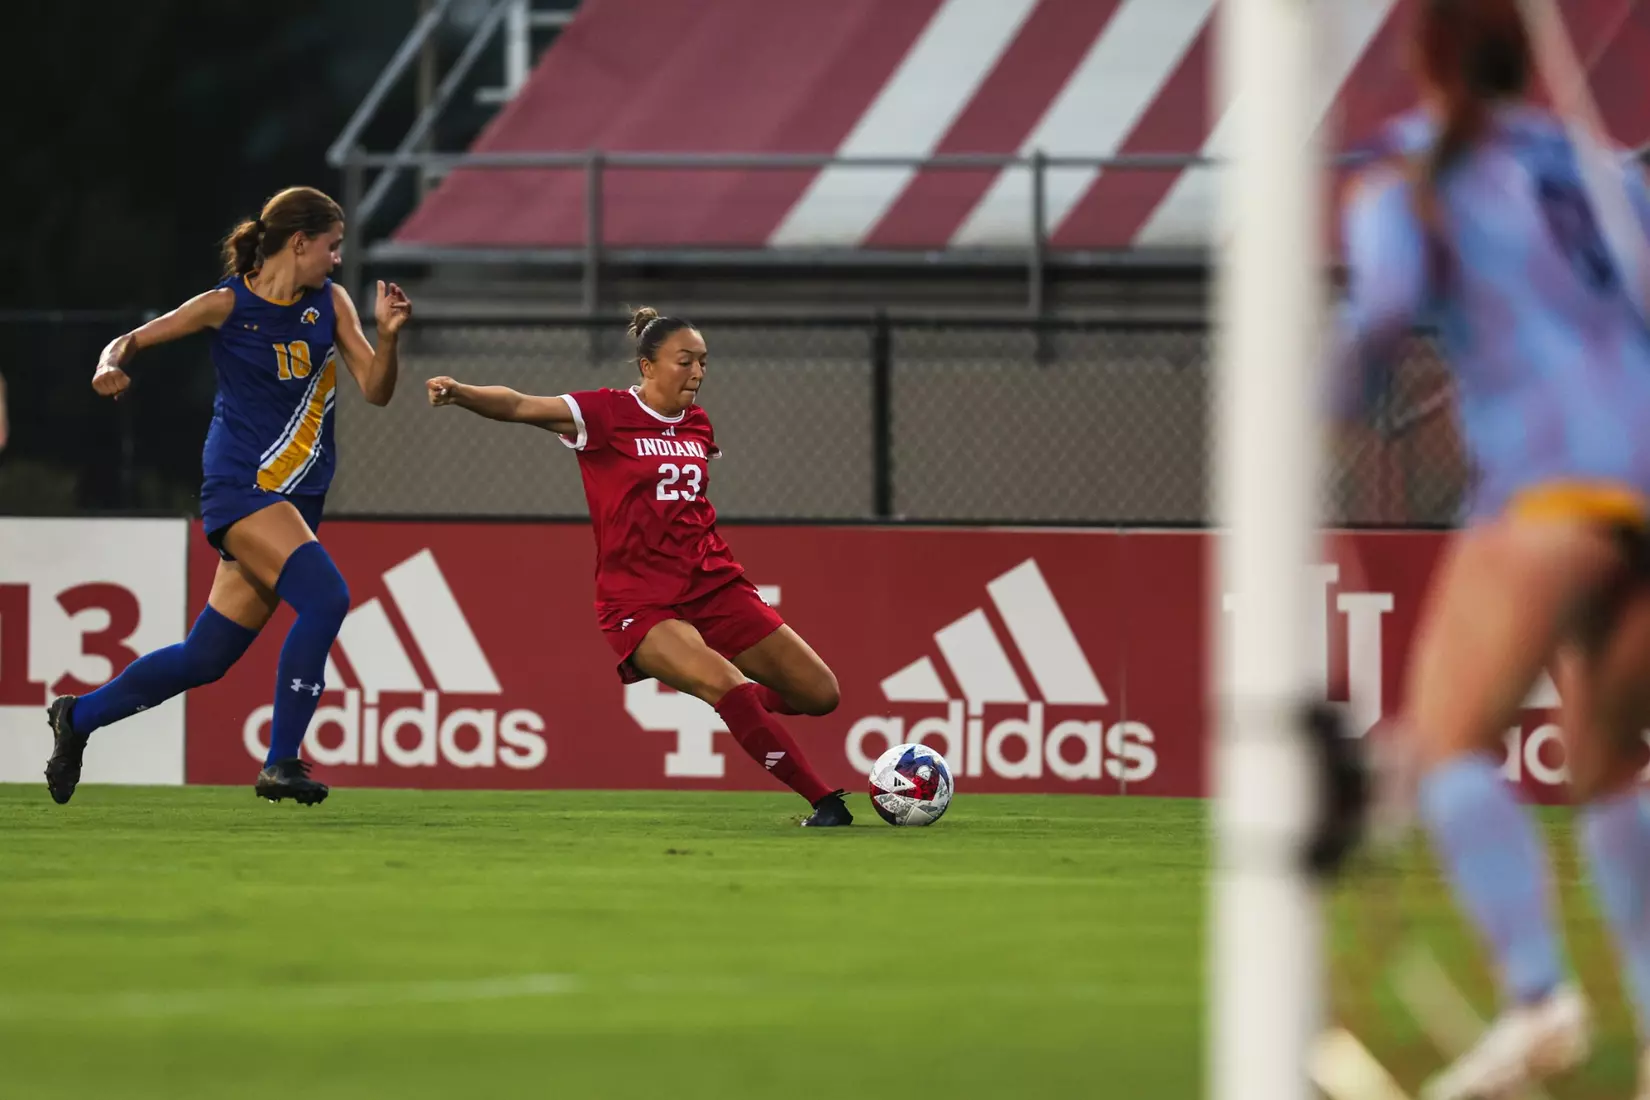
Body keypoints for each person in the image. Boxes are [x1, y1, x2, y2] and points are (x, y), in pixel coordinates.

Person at [1330, 1, 1650, 1096]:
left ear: (1421, 56)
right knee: (1611, 768)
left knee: (1449, 745)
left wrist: (1316, 405)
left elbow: (1379, 313)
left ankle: (1537, 994)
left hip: (1550, 483)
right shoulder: (1609, 175)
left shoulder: (1411, 170)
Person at [44, 186, 411, 807]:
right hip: (243, 486)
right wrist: (111, 364)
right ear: (300, 243)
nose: (338, 260)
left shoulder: (331, 303)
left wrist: (390, 337)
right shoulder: (226, 304)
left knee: (205, 657)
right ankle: (281, 761)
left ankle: (76, 719)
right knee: (326, 599)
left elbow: (376, 390)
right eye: (332, 246)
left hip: (297, 499)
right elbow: (130, 340)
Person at [425, 307, 850, 826]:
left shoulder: (698, 423)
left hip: (715, 584)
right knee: (726, 685)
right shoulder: (603, 413)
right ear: (647, 366)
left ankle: (748, 712)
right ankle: (825, 802)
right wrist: (461, 392)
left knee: (819, 694)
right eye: (684, 361)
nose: (697, 372)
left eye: (703, 362)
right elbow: (518, 405)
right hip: (639, 600)